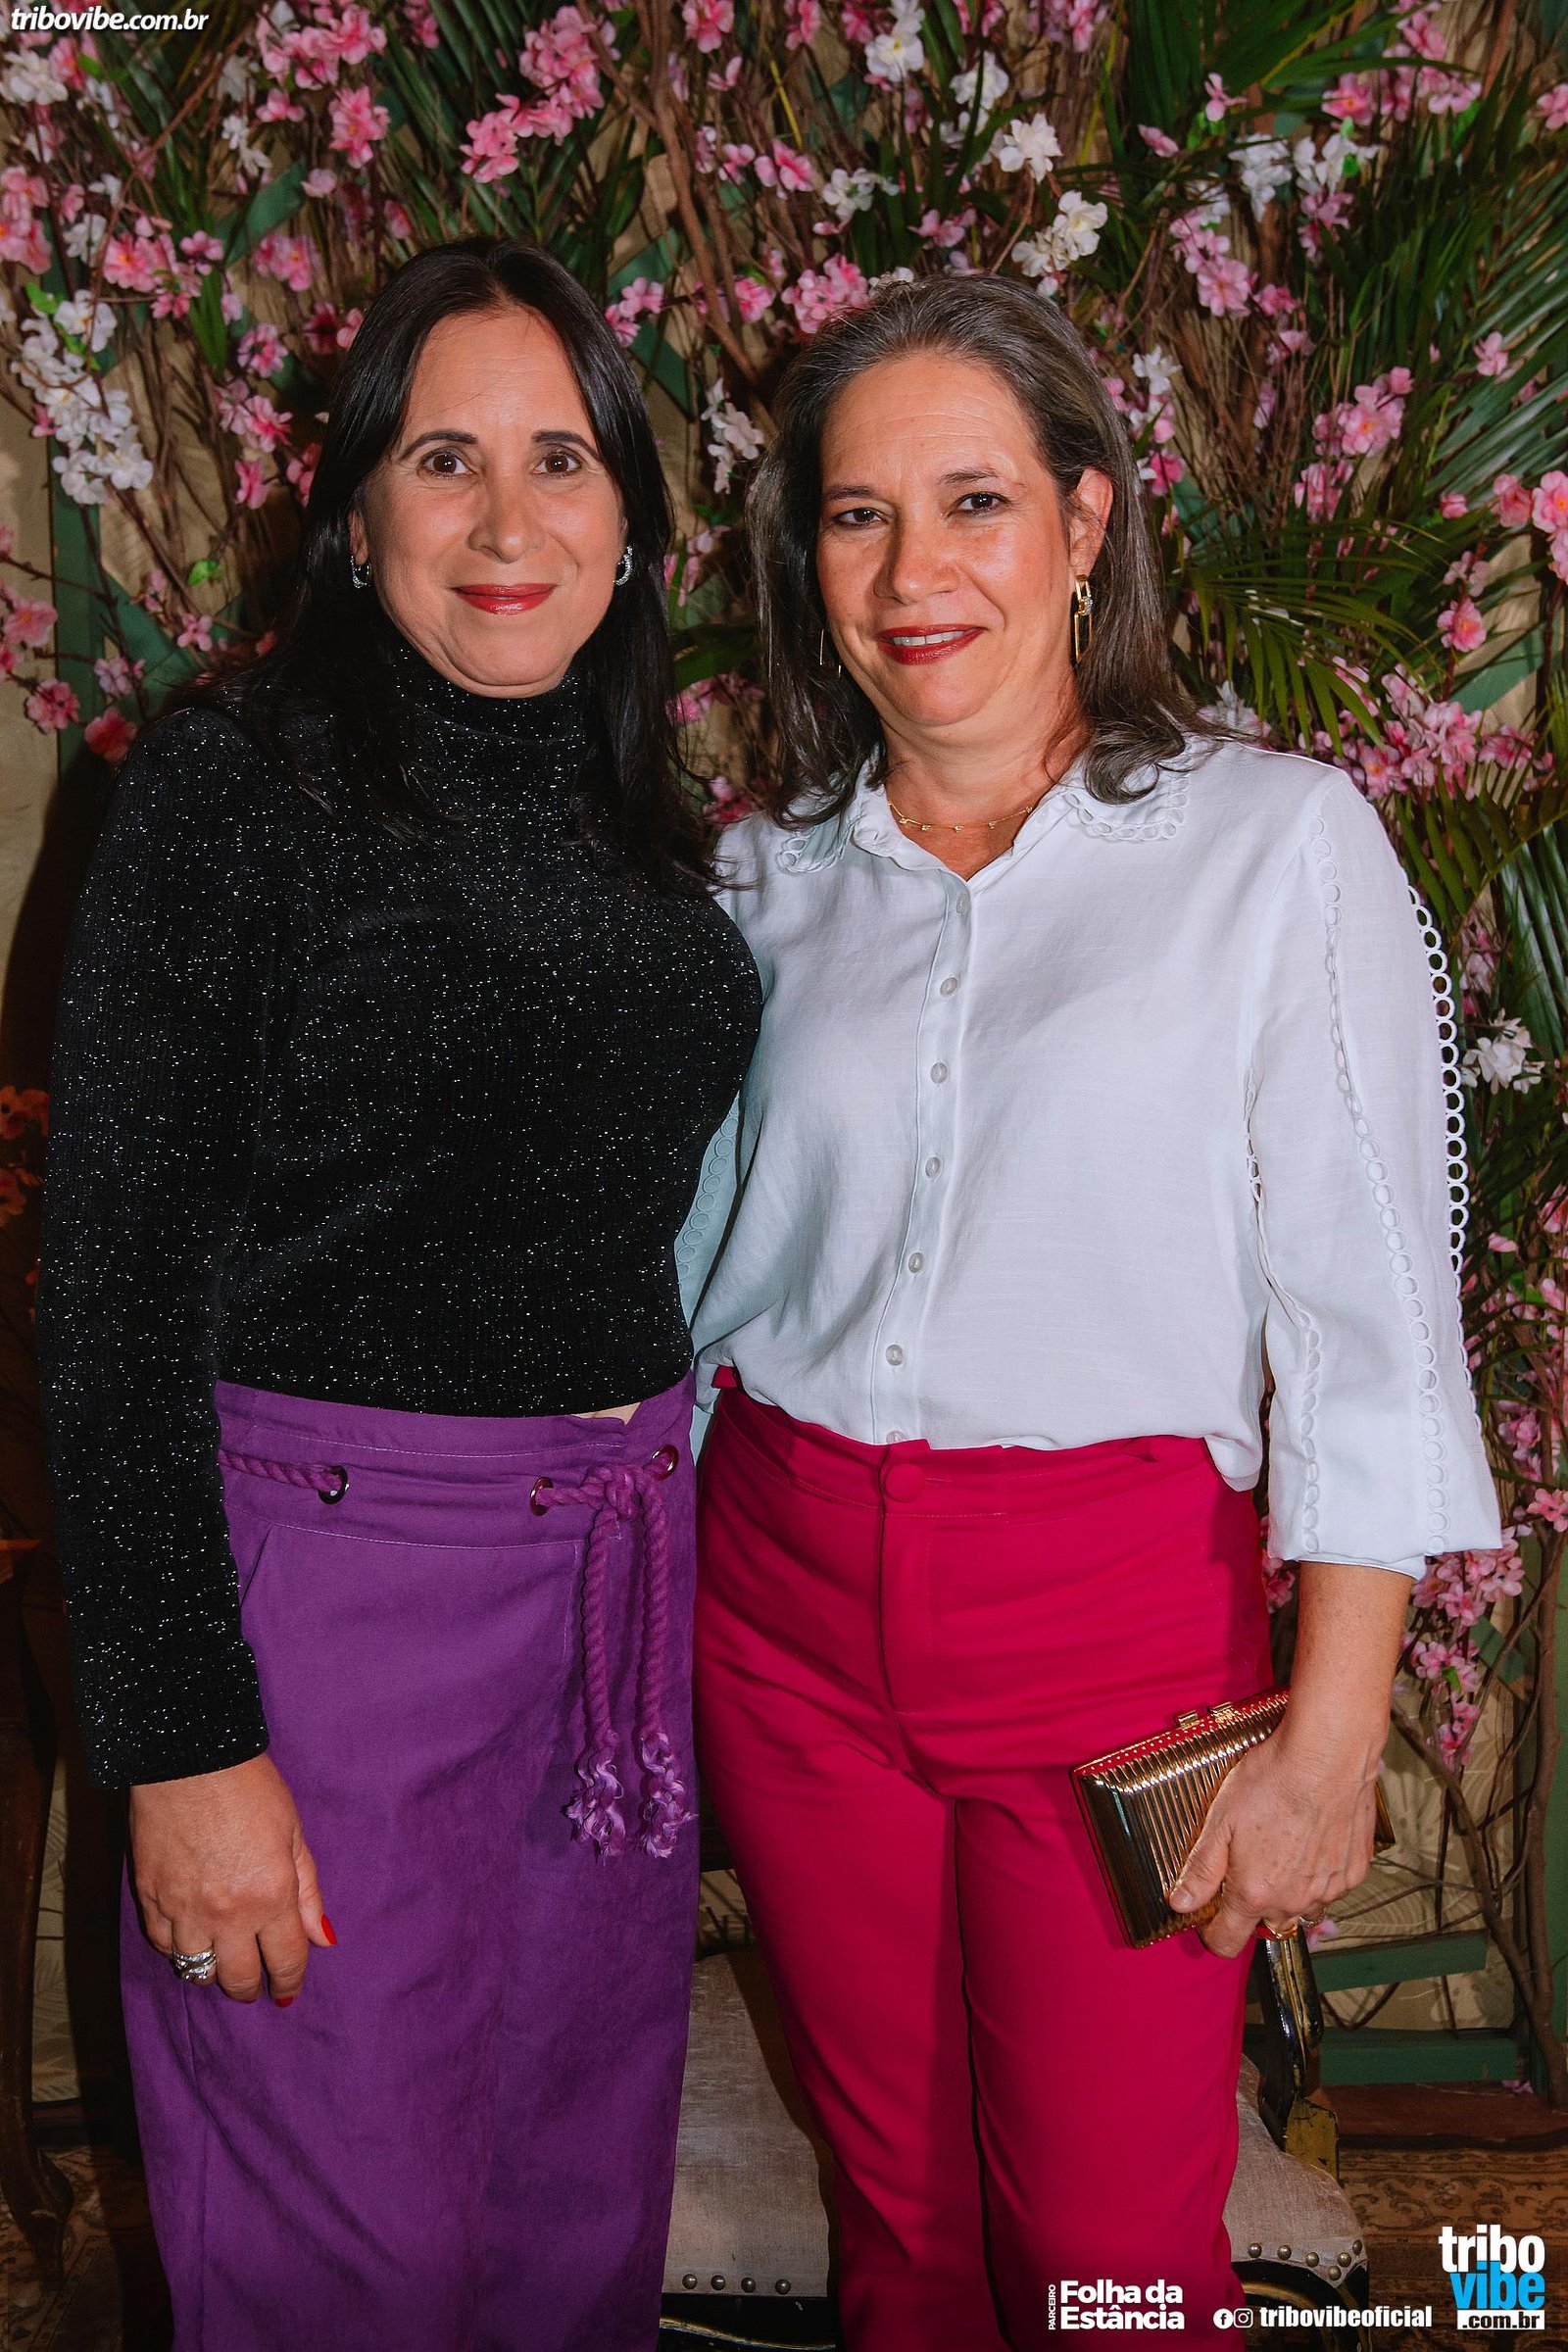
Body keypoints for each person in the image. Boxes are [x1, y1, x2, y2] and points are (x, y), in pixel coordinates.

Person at [677, 273, 1500, 2352]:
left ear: (1086, 521)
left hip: (1116, 1643)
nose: (912, 572)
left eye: (971, 500)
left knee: (1110, 2256)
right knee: (900, 2229)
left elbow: (1367, 1324)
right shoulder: (763, 881)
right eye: (856, 516)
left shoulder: (1275, 849)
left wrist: (1329, 1739)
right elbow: (696, 1280)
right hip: (783, 1617)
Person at [37, 237, 760, 2352]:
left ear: (632, 525)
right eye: (446, 459)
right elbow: (111, 1287)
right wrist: (183, 1748)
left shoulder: (644, 824)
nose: (508, 519)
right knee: (339, 2266)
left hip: (606, 1603)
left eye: (562, 460)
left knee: (568, 2239)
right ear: (355, 518)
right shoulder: (231, 786)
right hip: (333, 1616)